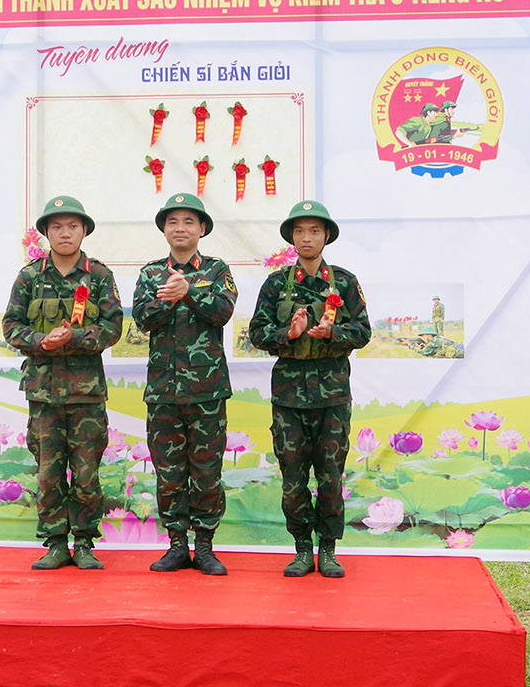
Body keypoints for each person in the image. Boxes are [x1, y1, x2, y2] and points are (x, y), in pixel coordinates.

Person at [247, 200, 371, 578]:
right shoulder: (276, 284)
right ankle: (302, 548)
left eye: (314, 231)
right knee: (294, 478)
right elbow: (256, 333)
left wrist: (332, 331)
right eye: (299, 231)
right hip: (289, 398)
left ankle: (329, 549)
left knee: (331, 476)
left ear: (326, 236)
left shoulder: (345, 281)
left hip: (332, 396)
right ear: (291, 238)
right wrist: (290, 333)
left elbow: (363, 332)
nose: (306, 238)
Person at [2, 196, 124, 570]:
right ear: (46, 233)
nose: (65, 233)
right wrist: (41, 342)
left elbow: (113, 328)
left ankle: (85, 542)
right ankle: (56, 542)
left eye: (72, 226)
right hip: (43, 394)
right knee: (49, 473)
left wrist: (72, 339)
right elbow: (11, 326)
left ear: (84, 230)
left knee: (87, 474)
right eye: (56, 226)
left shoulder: (99, 276)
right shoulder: (29, 276)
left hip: (86, 394)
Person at [131, 193, 236, 575]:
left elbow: (223, 312)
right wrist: (168, 300)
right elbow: (142, 318)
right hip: (163, 392)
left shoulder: (217, 269)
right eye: (173, 221)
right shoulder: (150, 273)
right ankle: (177, 545)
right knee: (169, 473)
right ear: (164, 229)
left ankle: (205, 546)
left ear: (202, 229)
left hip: (207, 392)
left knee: (206, 471)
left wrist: (190, 292)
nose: (180, 228)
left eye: (189, 222)